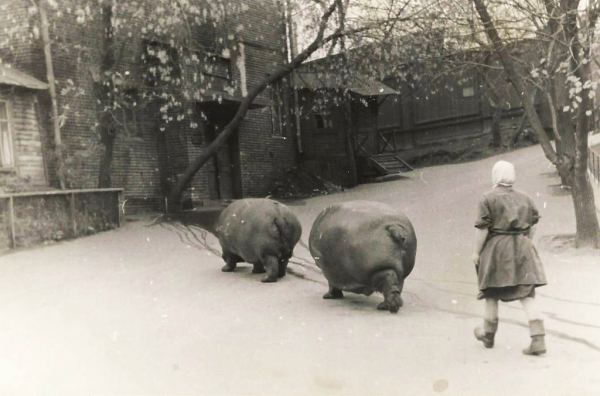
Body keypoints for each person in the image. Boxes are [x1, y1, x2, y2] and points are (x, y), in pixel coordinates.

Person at [472, 160, 548, 356]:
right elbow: (534, 225)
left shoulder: (487, 198)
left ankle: (488, 335)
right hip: (523, 247)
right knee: (527, 293)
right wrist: (524, 242)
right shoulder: (525, 197)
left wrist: (476, 252)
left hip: (497, 249)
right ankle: (538, 339)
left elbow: (483, 229)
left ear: (495, 175)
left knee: (491, 292)